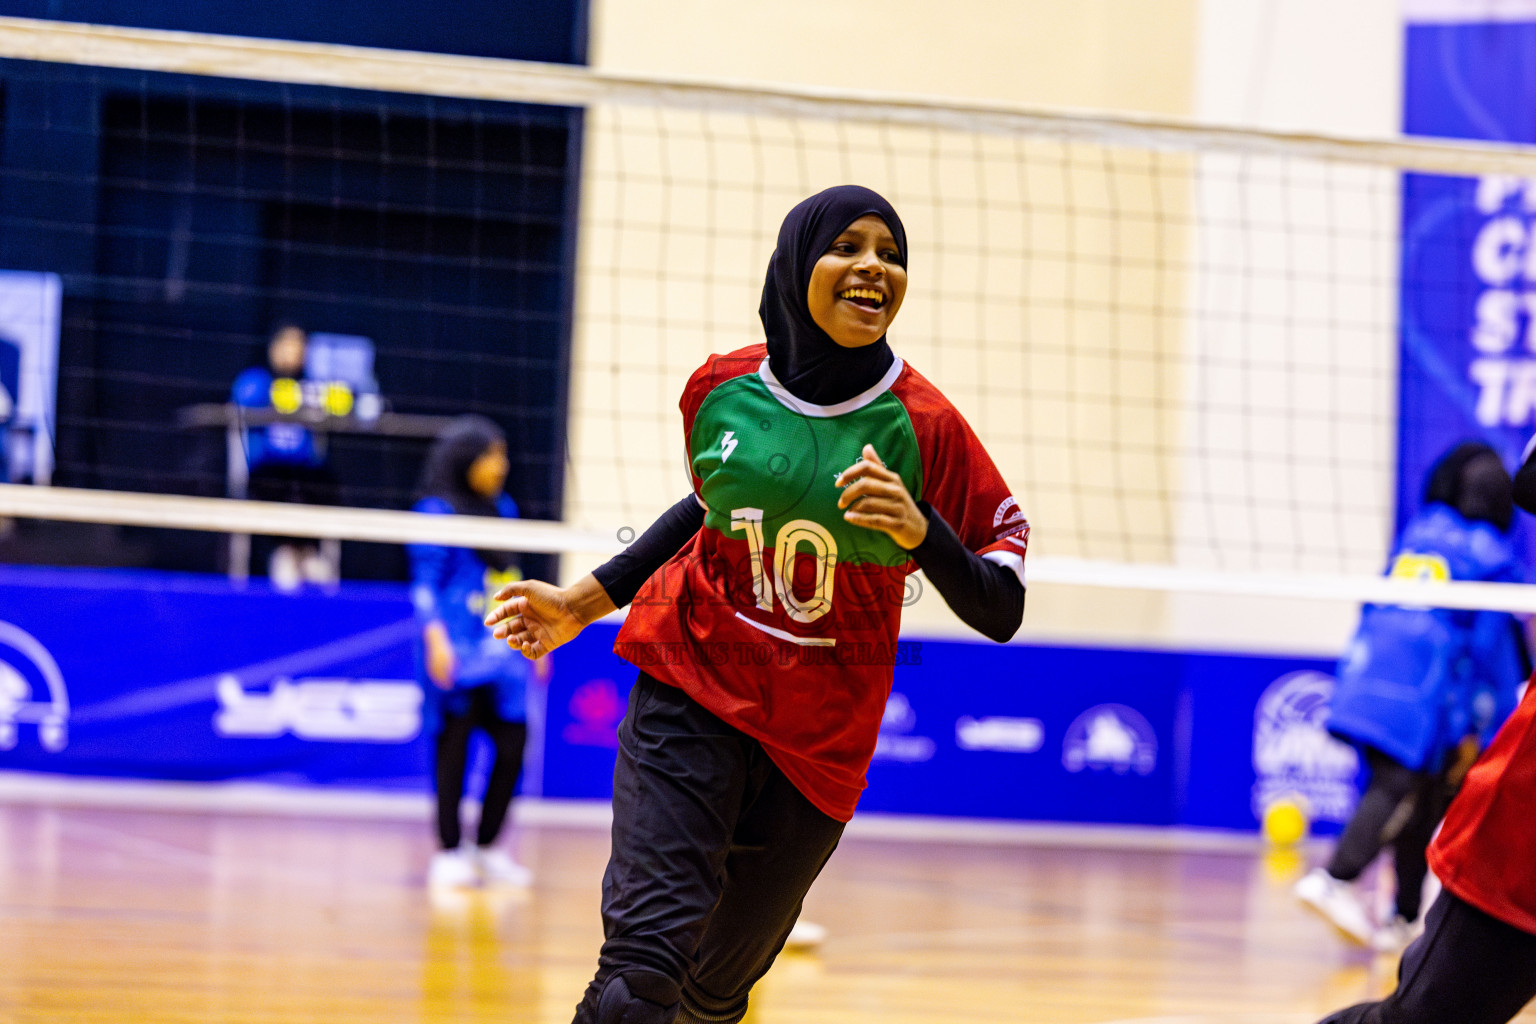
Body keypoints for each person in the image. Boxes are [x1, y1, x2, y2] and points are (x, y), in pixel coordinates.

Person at [485, 185, 1030, 1024]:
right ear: (795, 263)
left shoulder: (927, 428)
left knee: (709, 999)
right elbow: (706, 509)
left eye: (891, 253)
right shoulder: (721, 387)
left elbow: (1001, 609)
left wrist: (924, 531)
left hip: (817, 739)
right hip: (690, 683)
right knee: (639, 980)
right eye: (848, 245)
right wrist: (583, 602)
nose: (873, 266)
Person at [1296, 442, 1528, 951]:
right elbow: (1491, 649)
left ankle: (1402, 918)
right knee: (1400, 781)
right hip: (1417, 697)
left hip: (1362, 676)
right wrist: (1489, 727)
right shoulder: (1491, 554)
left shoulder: (1417, 535)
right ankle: (1335, 877)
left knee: (1419, 798)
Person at [409, 415, 538, 889]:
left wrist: (534, 631)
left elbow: (512, 576)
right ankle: (448, 852)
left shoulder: (502, 508)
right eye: (492, 455)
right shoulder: (434, 512)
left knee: (512, 748)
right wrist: (436, 639)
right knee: (452, 751)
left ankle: (485, 849)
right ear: (467, 459)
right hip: (457, 652)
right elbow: (423, 586)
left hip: (502, 653)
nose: (501, 465)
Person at [231, 323, 338, 589]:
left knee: (320, 483)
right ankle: (291, 553)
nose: (295, 353)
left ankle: (302, 553)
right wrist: (289, 395)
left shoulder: (312, 384)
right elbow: (244, 399)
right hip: (266, 470)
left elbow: (340, 403)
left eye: (300, 347)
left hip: (303, 472)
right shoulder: (257, 380)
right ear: (275, 348)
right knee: (281, 484)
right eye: (288, 345)